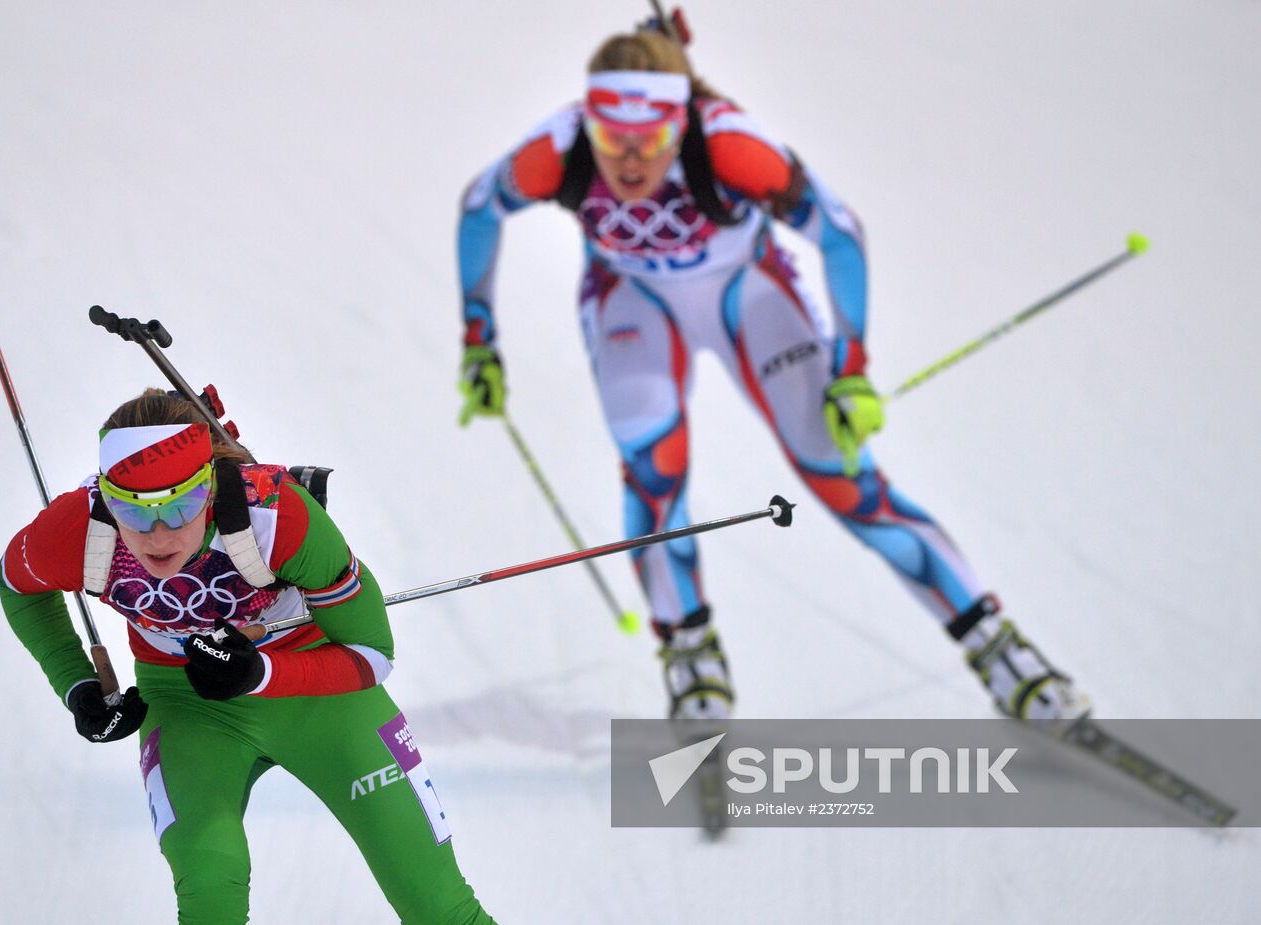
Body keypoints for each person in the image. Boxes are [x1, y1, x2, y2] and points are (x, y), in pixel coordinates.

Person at [454, 27, 1089, 725]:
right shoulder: (560, 148)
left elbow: (839, 231)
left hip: (748, 292)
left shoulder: (726, 144)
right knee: (652, 469)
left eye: (651, 141)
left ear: (679, 120)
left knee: (845, 477)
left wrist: (850, 370)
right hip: (632, 297)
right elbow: (479, 206)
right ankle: (691, 654)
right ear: (590, 122)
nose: (630, 161)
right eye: (612, 141)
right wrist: (478, 339)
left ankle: (998, 649)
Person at [0, 389, 495, 925]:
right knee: (210, 890)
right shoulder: (77, 529)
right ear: (105, 498)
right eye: (132, 513)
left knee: (439, 906)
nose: (158, 535)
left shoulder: (278, 517)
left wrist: (261, 672)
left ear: (209, 485)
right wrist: (77, 686)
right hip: (188, 704)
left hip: (318, 692)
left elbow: (373, 655)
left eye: (181, 506)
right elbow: (15, 585)